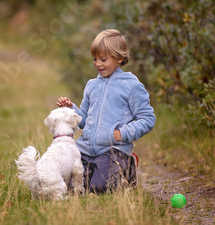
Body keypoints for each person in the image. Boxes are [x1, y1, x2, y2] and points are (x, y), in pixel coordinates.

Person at [57, 29, 155, 193]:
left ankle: (128, 167)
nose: (97, 64)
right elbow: (84, 120)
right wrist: (71, 110)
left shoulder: (131, 85)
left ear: (120, 58)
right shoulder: (92, 85)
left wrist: (123, 133)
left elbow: (148, 119)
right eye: (95, 59)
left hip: (112, 150)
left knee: (99, 187)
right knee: (68, 185)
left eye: (103, 59)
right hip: (85, 149)